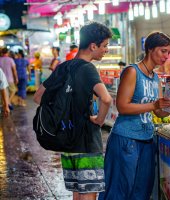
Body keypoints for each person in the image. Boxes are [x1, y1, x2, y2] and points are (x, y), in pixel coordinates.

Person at [33, 21, 113, 200]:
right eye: (105, 45)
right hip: (86, 141)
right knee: (88, 194)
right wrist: (99, 120)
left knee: (77, 193)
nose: (106, 49)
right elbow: (106, 98)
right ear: (93, 46)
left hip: (67, 141)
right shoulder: (88, 68)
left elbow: (38, 97)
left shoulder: (63, 66)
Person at [103, 32, 170, 200]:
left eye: (168, 52)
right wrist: (154, 105)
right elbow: (122, 106)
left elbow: (158, 112)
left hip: (147, 139)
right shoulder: (132, 72)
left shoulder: (156, 78)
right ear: (150, 49)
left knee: (141, 191)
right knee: (120, 190)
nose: (166, 56)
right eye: (163, 51)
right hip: (126, 139)